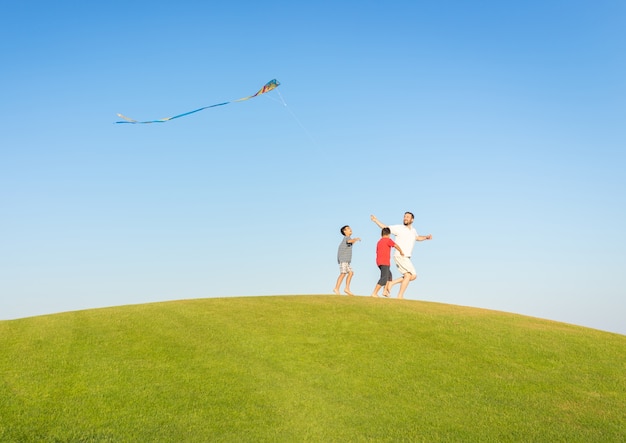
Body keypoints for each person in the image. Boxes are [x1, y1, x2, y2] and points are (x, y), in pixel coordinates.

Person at [370, 212, 432, 299]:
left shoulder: (413, 231)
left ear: (412, 220)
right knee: (412, 275)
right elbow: (386, 228)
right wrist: (376, 221)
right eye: (404, 217)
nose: (405, 218)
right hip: (401, 255)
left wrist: (426, 237)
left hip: (406, 256)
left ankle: (392, 284)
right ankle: (400, 295)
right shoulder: (399, 228)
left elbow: (417, 238)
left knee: (409, 275)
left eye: (407, 217)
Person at [371, 227, 404, 298]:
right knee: (384, 278)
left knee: (389, 276)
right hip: (385, 262)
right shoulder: (388, 240)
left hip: (379, 262)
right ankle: (374, 293)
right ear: (389, 234)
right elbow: (395, 245)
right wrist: (401, 251)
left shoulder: (379, 241)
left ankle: (385, 291)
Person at [334, 225, 361, 295]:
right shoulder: (346, 237)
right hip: (343, 260)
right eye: (348, 229)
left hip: (347, 261)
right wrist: (356, 239)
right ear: (344, 231)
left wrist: (354, 240)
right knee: (343, 273)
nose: (350, 229)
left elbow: (350, 242)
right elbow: (349, 241)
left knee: (351, 273)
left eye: (350, 228)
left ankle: (347, 288)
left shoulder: (349, 238)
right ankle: (336, 288)